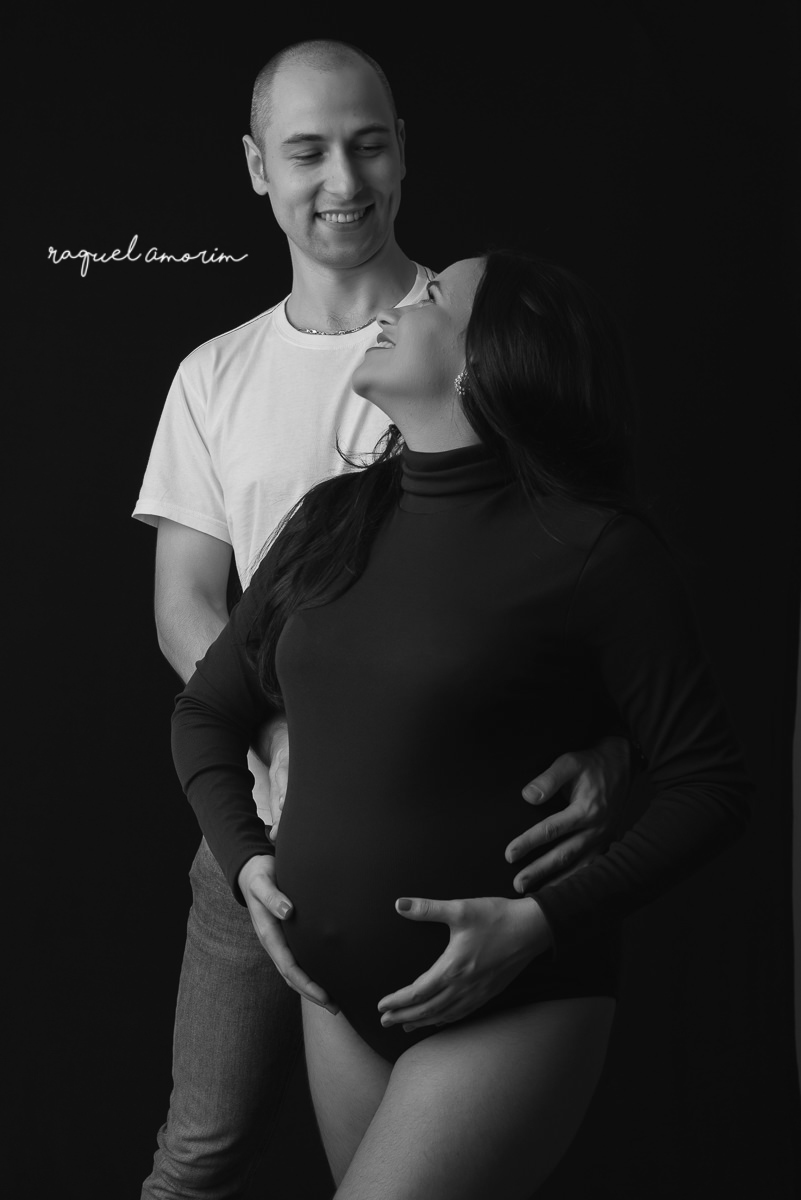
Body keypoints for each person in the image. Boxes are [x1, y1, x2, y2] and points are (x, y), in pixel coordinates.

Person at [134, 41, 633, 1197]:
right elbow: (185, 604)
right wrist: (280, 739)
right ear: (257, 167)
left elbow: (587, 573)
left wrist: (618, 743)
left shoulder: (477, 324)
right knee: (200, 1155)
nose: (343, 180)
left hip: (460, 831)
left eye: (368, 145)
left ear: (403, 150)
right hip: (260, 827)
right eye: (307, 151)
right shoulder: (214, 375)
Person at [170, 250, 751, 1199]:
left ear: (485, 361)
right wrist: (247, 865)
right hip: (336, 1000)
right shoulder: (331, 520)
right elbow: (206, 709)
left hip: (512, 993)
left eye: (434, 296)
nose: (400, 304)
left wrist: (539, 922)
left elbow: (713, 786)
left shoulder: (594, 549)